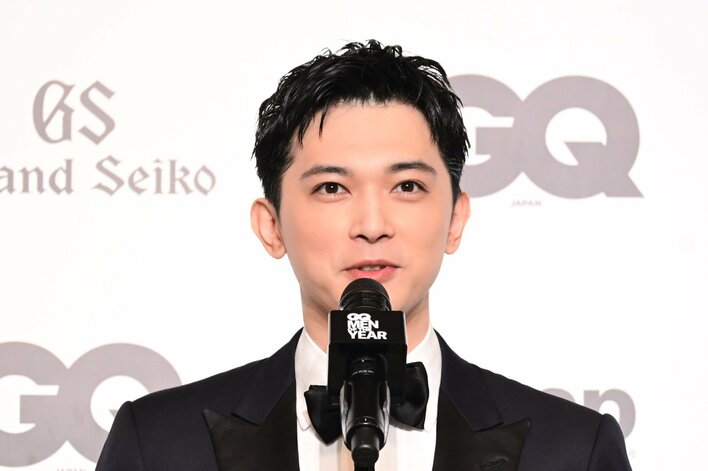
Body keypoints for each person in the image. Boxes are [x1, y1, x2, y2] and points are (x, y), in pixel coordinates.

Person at [96, 40, 632, 471]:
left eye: (407, 187)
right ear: (271, 226)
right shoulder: (160, 445)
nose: (372, 226)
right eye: (332, 188)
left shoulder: (571, 451)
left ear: (455, 218)